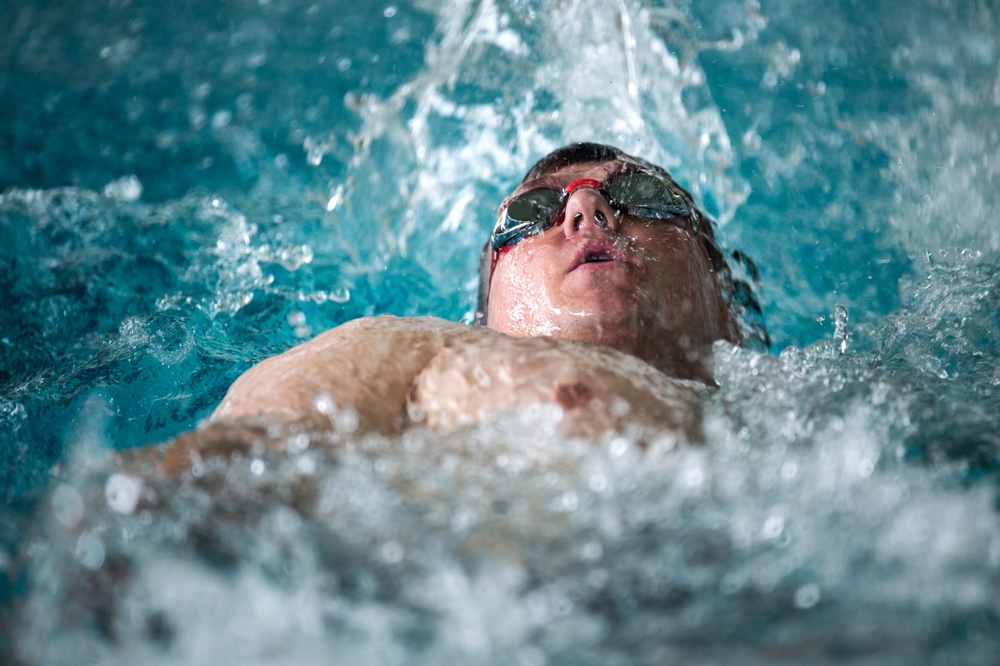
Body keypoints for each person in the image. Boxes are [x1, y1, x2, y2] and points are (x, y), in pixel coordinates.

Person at [157, 143, 767, 472]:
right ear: (485, 309)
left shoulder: (816, 396)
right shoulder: (414, 351)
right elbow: (240, 459)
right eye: (531, 215)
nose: (587, 213)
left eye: (640, 194)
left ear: (728, 299)